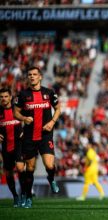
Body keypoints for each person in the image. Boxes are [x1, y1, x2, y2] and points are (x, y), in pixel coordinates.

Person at [14, 66, 62, 208]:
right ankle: (28, 197)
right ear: (28, 77)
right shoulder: (22, 95)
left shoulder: (49, 93)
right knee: (30, 168)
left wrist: (52, 122)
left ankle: (51, 178)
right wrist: (24, 117)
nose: (32, 77)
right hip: (29, 137)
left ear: (40, 76)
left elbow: (58, 108)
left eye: (35, 74)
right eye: (30, 75)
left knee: (49, 164)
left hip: (45, 135)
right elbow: (16, 112)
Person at [0, 88, 25, 207]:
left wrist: (25, 131)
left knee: (20, 168)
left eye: (6, 96)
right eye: (1, 97)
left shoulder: (18, 108)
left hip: (19, 144)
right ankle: (15, 196)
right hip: (6, 146)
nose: (3, 99)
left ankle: (24, 194)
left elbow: (31, 119)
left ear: (10, 97)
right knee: (9, 173)